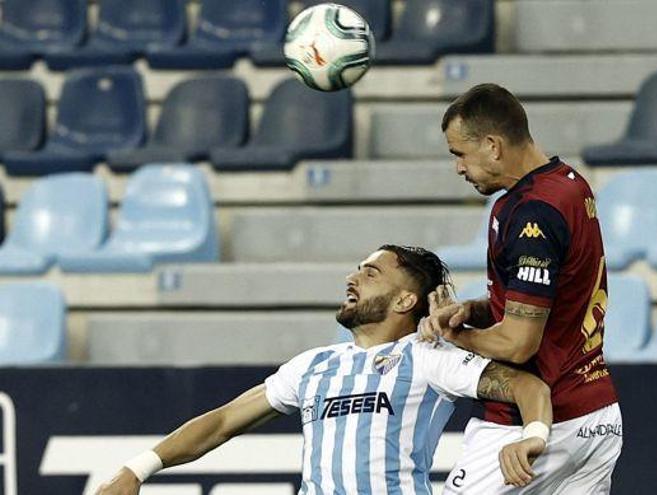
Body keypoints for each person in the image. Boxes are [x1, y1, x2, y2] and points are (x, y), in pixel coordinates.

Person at [95, 245, 553, 495]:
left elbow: (527, 386)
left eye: (371, 273)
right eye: (356, 270)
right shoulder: (313, 366)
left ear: (404, 301)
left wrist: (534, 434)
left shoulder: (429, 356)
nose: (352, 279)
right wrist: (137, 470)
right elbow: (220, 422)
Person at [421, 83, 622, 494]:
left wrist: (453, 335)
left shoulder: (531, 211)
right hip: (597, 414)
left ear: (493, 145)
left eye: (460, 153)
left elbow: (518, 344)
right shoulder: (570, 184)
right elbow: (555, 295)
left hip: (536, 422)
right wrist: (474, 310)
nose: (459, 168)